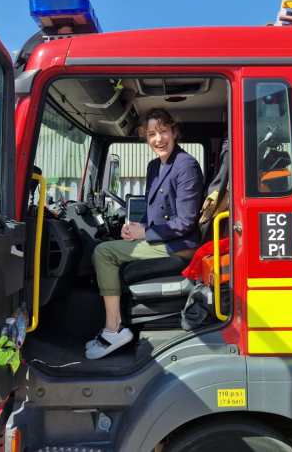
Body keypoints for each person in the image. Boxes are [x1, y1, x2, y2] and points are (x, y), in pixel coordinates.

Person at [86, 109, 204, 359]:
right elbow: (150, 209)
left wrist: (146, 233)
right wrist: (133, 227)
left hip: (180, 244)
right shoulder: (154, 166)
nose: (158, 139)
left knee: (103, 253)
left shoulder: (186, 165)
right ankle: (115, 325)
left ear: (174, 131)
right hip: (163, 238)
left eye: (163, 132)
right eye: (152, 134)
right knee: (111, 245)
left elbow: (186, 221)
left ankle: (113, 328)